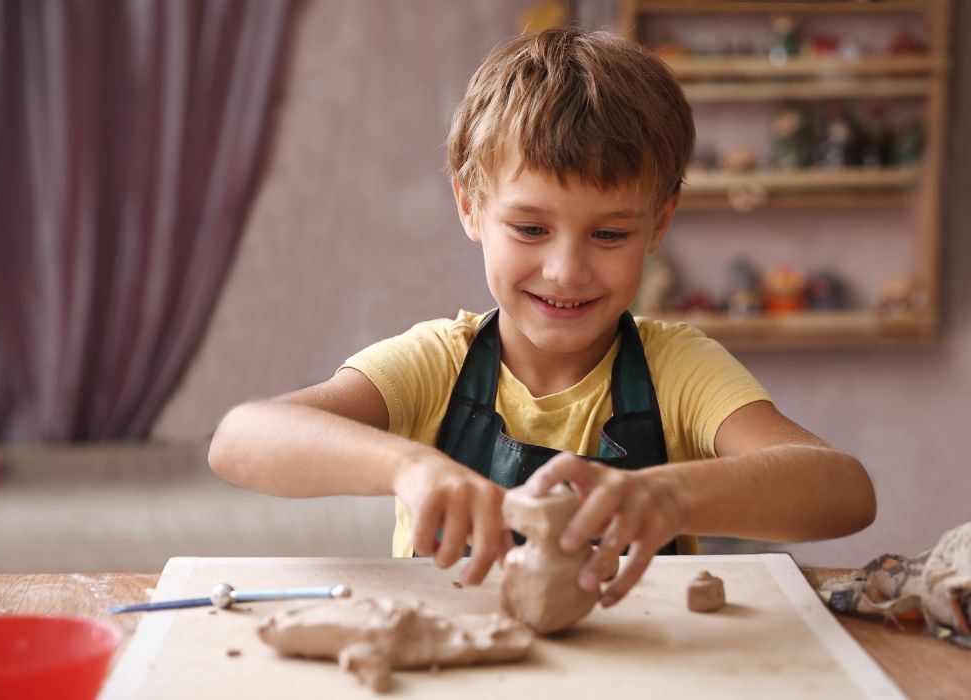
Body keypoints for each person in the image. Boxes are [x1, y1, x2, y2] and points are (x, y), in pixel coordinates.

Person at [208, 27, 876, 608]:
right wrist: (411, 467)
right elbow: (241, 438)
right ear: (470, 206)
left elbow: (843, 490)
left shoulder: (677, 370)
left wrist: (671, 497)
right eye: (530, 228)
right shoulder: (437, 364)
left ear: (659, 224)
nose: (567, 270)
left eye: (610, 235)